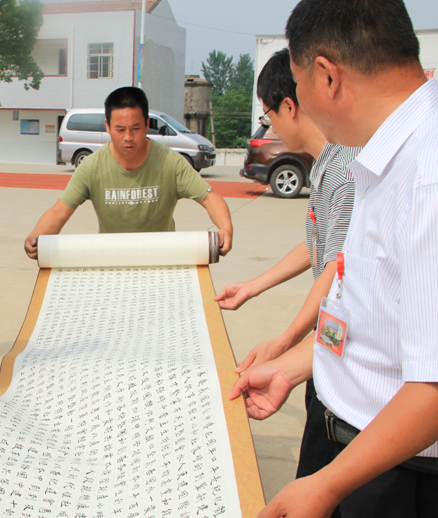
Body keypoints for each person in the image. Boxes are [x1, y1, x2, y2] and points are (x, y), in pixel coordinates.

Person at [229, 1, 438, 517]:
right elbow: (371, 316)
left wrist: (326, 484)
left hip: (399, 476)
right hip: (369, 456)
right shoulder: (383, 155)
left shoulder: (425, 176)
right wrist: (294, 366)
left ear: (326, 75)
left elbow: (432, 385)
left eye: (298, 83)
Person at [215, 48, 359, 489]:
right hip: (325, 345)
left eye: (269, 115)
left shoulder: (345, 170)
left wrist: (287, 340)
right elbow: (316, 245)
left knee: (320, 482)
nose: (271, 127)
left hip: (341, 352)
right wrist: (253, 286)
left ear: (291, 106)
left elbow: (337, 269)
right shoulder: (326, 165)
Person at [24, 87, 233, 259]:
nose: (128, 137)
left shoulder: (171, 163)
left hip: (162, 259)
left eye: (135, 128)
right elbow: (60, 211)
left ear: (147, 124)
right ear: (107, 126)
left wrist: (225, 228)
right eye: (120, 129)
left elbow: (209, 197)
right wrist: (36, 236)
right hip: (112, 260)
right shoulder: (92, 167)